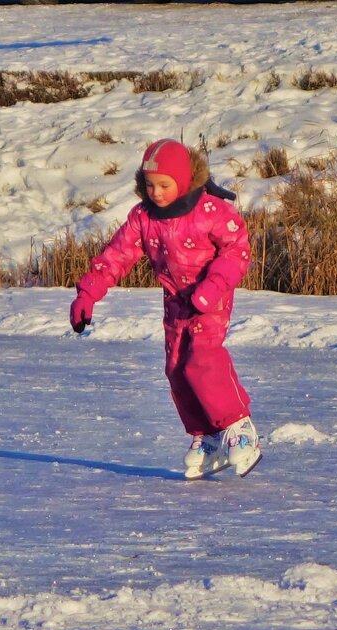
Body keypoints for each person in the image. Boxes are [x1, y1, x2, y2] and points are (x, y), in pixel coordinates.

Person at [68, 138, 261, 480]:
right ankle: (208, 436)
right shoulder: (144, 218)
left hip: (209, 298)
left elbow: (237, 249)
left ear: (184, 181)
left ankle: (238, 425)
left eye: (164, 185)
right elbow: (116, 256)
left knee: (202, 359)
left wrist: (214, 286)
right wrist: (88, 294)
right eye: (149, 185)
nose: (156, 193)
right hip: (175, 302)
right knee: (176, 368)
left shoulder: (210, 211)